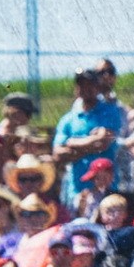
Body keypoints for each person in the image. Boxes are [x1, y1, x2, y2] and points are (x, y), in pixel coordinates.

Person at [52, 67, 124, 208]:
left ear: (97, 87)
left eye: (90, 84)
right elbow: (58, 154)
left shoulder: (110, 111)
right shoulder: (68, 120)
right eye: (81, 85)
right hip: (77, 190)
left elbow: (103, 143)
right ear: (76, 88)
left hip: (106, 189)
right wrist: (92, 143)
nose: (86, 88)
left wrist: (72, 143)